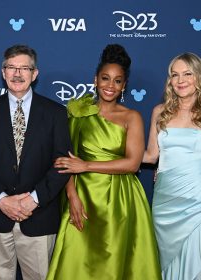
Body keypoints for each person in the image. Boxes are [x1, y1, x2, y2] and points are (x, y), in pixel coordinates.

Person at [46, 44, 161, 280]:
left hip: (120, 199)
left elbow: (132, 163)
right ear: (95, 80)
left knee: (115, 262)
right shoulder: (78, 112)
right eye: (105, 78)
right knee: (76, 263)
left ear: (124, 85)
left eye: (118, 81)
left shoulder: (132, 117)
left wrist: (86, 166)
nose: (110, 86)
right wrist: (71, 196)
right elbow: (66, 160)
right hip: (82, 196)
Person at [0, 44, 71, 280]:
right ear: (3, 72)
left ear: (34, 74)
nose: (17, 74)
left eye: (24, 68)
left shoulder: (55, 112)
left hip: (38, 216)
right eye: (11, 67)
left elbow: (62, 163)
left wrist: (32, 200)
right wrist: (2, 200)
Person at [143, 52, 201, 279]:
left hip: (197, 200)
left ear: (198, 76)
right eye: (174, 75)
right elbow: (150, 156)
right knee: (165, 264)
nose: (180, 80)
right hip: (165, 201)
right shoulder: (160, 112)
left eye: (187, 73)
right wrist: (107, 154)